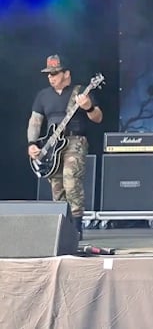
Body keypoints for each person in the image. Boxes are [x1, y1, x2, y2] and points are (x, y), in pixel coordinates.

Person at [27, 55, 103, 240]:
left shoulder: (80, 92)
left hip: (74, 141)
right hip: (52, 145)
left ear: (66, 73)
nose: (50, 77)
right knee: (57, 187)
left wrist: (88, 107)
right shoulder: (43, 95)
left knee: (71, 180)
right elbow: (35, 121)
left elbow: (98, 118)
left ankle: (77, 229)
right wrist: (32, 144)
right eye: (48, 74)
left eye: (54, 73)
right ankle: (62, 228)